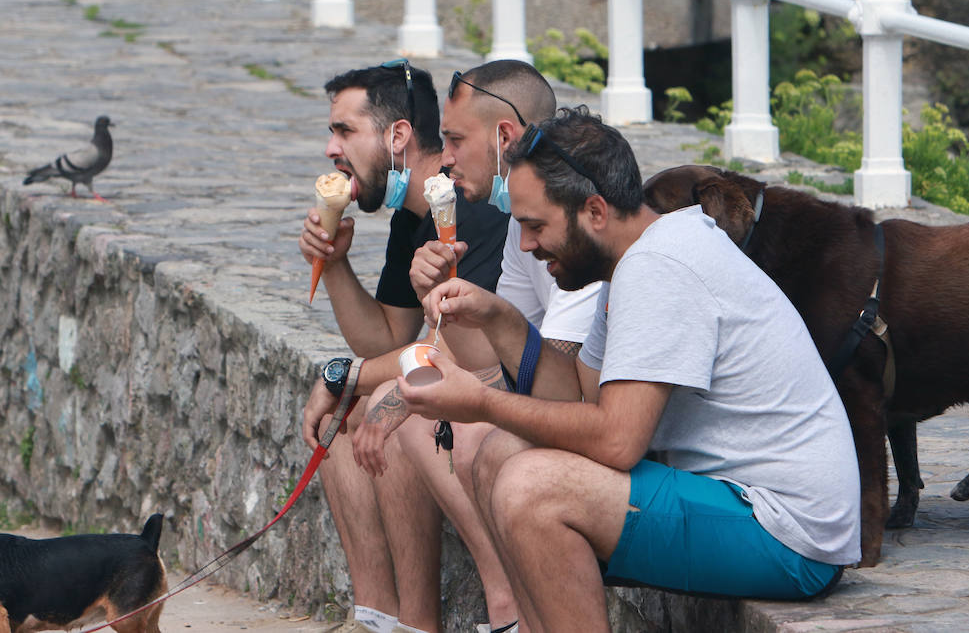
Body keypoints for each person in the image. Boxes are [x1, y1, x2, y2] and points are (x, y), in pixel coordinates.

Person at [398, 107, 862, 631]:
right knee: (497, 454)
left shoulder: (660, 267)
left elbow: (617, 441)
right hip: (735, 505)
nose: (526, 245)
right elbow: (576, 400)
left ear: (595, 211)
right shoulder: (635, 258)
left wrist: (480, 402)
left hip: (788, 533)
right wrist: (500, 318)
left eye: (535, 225)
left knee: (533, 486)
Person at [348, 61, 605, 632]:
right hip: (571, 417)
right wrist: (444, 293)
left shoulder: (573, 223)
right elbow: (492, 363)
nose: (445, 158)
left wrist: (381, 385)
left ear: (505, 137)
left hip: (612, 441)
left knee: (449, 429)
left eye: (456, 141)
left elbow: (562, 392)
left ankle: (508, 606)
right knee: (406, 408)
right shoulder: (519, 223)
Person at [298, 61, 510, 633]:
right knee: (350, 412)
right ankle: (377, 618)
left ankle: (452, 615)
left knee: (388, 397)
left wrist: (347, 373)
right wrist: (335, 264)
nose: (330, 148)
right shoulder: (411, 218)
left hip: (509, 395)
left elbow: (457, 354)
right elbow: (389, 337)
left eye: (344, 131)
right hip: (463, 388)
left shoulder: (472, 208)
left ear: (397, 136)